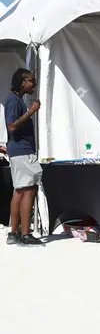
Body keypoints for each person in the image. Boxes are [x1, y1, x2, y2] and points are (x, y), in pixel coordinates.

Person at [4, 69, 43, 246]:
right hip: (22, 150)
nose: (34, 84)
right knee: (29, 189)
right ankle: (25, 233)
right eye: (31, 80)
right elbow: (12, 126)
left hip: (19, 150)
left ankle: (14, 233)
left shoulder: (16, 100)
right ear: (22, 82)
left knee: (20, 190)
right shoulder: (13, 100)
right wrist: (31, 111)